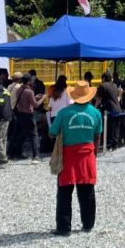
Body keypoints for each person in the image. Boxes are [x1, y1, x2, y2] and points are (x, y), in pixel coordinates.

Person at [49, 81, 103, 236]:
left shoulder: (64, 113)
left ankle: (64, 228)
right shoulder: (96, 113)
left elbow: (53, 131)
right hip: (88, 155)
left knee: (64, 192)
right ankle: (88, 224)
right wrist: (94, 154)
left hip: (68, 156)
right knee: (87, 192)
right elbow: (97, 135)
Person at [12, 74, 45, 162]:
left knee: (23, 134)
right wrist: (43, 98)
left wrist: (34, 97)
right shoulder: (29, 91)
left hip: (20, 114)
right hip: (28, 115)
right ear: (29, 81)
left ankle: (16, 152)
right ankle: (36, 156)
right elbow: (36, 105)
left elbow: (25, 100)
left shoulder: (19, 90)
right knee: (34, 135)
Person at [94, 72, 121, 151]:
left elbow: (98, 99)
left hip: (109, 109)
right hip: (118, 109)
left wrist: (94, 108)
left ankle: (108, 144)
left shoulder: (103, 86)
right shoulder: (115, 85)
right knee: (116, 127)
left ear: (104, 78)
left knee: (109, 128)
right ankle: (115, 145)